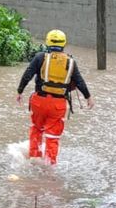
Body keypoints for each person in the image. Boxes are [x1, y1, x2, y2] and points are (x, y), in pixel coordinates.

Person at [16, 29, 92, 165]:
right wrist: (88, 97)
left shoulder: (40, 57)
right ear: (64, 44)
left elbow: (28, 74)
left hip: (39, 101)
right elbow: (79, 82)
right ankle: (49, 166)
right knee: (52, 137)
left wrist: (20, 91)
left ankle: (34, 158)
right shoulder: (71, 62)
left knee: (36, 129)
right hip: (58, 105)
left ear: (47, 42)